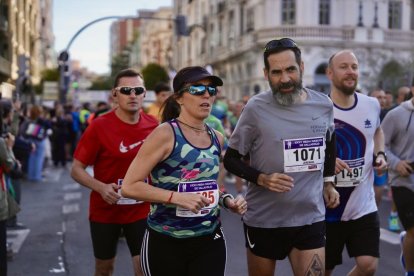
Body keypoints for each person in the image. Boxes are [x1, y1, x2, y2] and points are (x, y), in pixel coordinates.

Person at [223, 38, 339, 276]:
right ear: (266, 74)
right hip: (265, 220)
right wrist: (262, 179)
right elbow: (231, 159)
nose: (285, 79)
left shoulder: (323, 104)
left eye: (290, 70)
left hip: (310, 216)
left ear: (302, 68)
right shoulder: (255, 108)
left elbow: (329, 142)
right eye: (276, 72)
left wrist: (328, 182)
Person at [121, 66, 246, 276]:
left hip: (209, 239)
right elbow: (129, 186)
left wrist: (227, 201)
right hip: (166, 241)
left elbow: (208, 186)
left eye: (211, 90)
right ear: (179, 98)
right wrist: (176, 197)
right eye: (197, 89)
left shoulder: (217, 137)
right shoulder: (165, 133)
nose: (206, 94)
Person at [71, 68, 158, 276]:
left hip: (141, 209)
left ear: (144, 93)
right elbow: (76, 169)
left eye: (138, 90)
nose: (133, 95)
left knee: (143, 268)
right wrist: (101, 188)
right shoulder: (99, 126)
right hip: (106, 210)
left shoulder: (155, 126)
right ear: (115, 94)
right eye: (126, 90)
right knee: (104, 269)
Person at [325, 50, 388, 276]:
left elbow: (377, 131)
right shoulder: (318, 109)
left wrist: (380, 155)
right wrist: (327, 162)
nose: (350, 71)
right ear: (329, 73)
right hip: (327, 207)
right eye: (343, 67)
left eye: (354, 66)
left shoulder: (371, 104)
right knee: (323, 269)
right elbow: (305, 150)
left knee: (368, 265)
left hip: (363, 204)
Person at [381, 89, 414, 276]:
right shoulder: (396, 115)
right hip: (402, 180)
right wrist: (396, 163)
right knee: (413, 231)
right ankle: (410, 271)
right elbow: (380, 145)